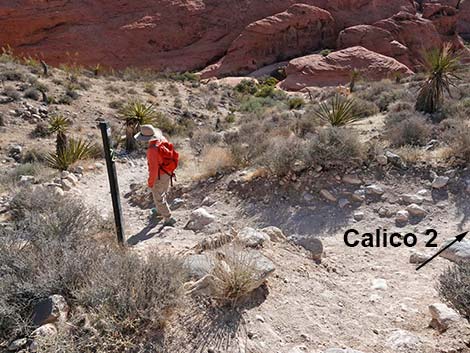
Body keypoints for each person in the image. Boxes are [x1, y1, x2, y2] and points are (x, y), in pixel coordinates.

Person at [135, 125, 177, 227]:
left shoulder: (152, 150)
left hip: (159, 175)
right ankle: (159, 211)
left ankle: (168, 218)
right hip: (168, 172)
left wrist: (150, 182)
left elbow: (154, 169)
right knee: (162, 192)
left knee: (158, 196)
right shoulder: (162, 139)